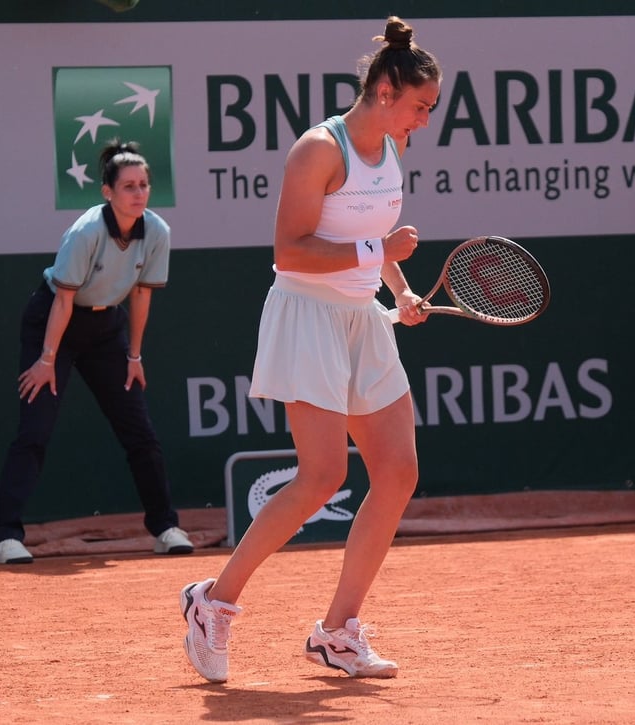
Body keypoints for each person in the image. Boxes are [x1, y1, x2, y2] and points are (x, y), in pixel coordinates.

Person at [180, 16, 440, 682]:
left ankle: (337, 632)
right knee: (322, 474)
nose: (422, 121)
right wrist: (379, 251)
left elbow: (374, 244)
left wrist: (400, 289)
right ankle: (213, 602)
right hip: (307, 315)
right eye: (418, 106)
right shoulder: (317, 150)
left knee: (398, 470)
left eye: (429, 110)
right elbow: (290, 249)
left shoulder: (391, 150)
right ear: (385, 88)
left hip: (362, 318)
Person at [0, 140, 193, 564]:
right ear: (108, 192)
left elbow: (140, 296)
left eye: (144, 185)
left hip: (107, 331)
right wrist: (47, 361)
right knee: (35, 430)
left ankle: (165, 527)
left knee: (139, 431)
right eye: (128, 187)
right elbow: (63, 301)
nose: (138, 193)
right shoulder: (85, 232)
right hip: (54, 323)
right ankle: (6, 537)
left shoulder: (157, 232)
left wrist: (134, 356)